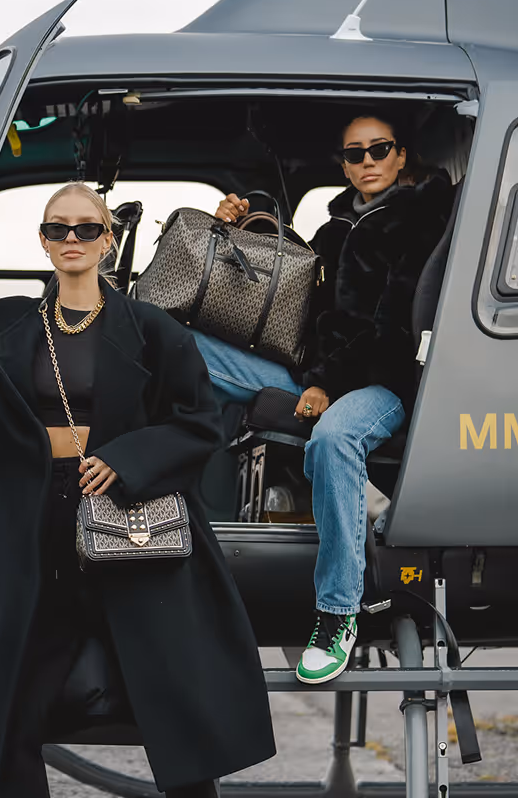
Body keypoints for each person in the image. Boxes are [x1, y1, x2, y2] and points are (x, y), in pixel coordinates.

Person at [0, 182, 276, 798]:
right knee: (11, 698)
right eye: (58, 229)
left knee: (175, 698)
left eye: (86, 229)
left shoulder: (151, 328)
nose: (72, 239)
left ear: (107, 241)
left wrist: (127, 457)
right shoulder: (8, 322)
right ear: (42, 240)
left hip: (130, 511)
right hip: (40, 518)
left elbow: (200, 421)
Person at [192, 112, 453, 684]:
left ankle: (337, 613)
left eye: (378, 150)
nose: (366, 163)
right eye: (353, 154)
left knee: (335, 437)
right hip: (317, 375)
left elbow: (388, 327)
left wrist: (325, 386)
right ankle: (165, 509)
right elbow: (293, 294)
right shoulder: (338, 225)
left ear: (402, 155)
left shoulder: (422, 220)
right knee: (184, 348)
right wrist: (234, 234)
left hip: (385, 384)